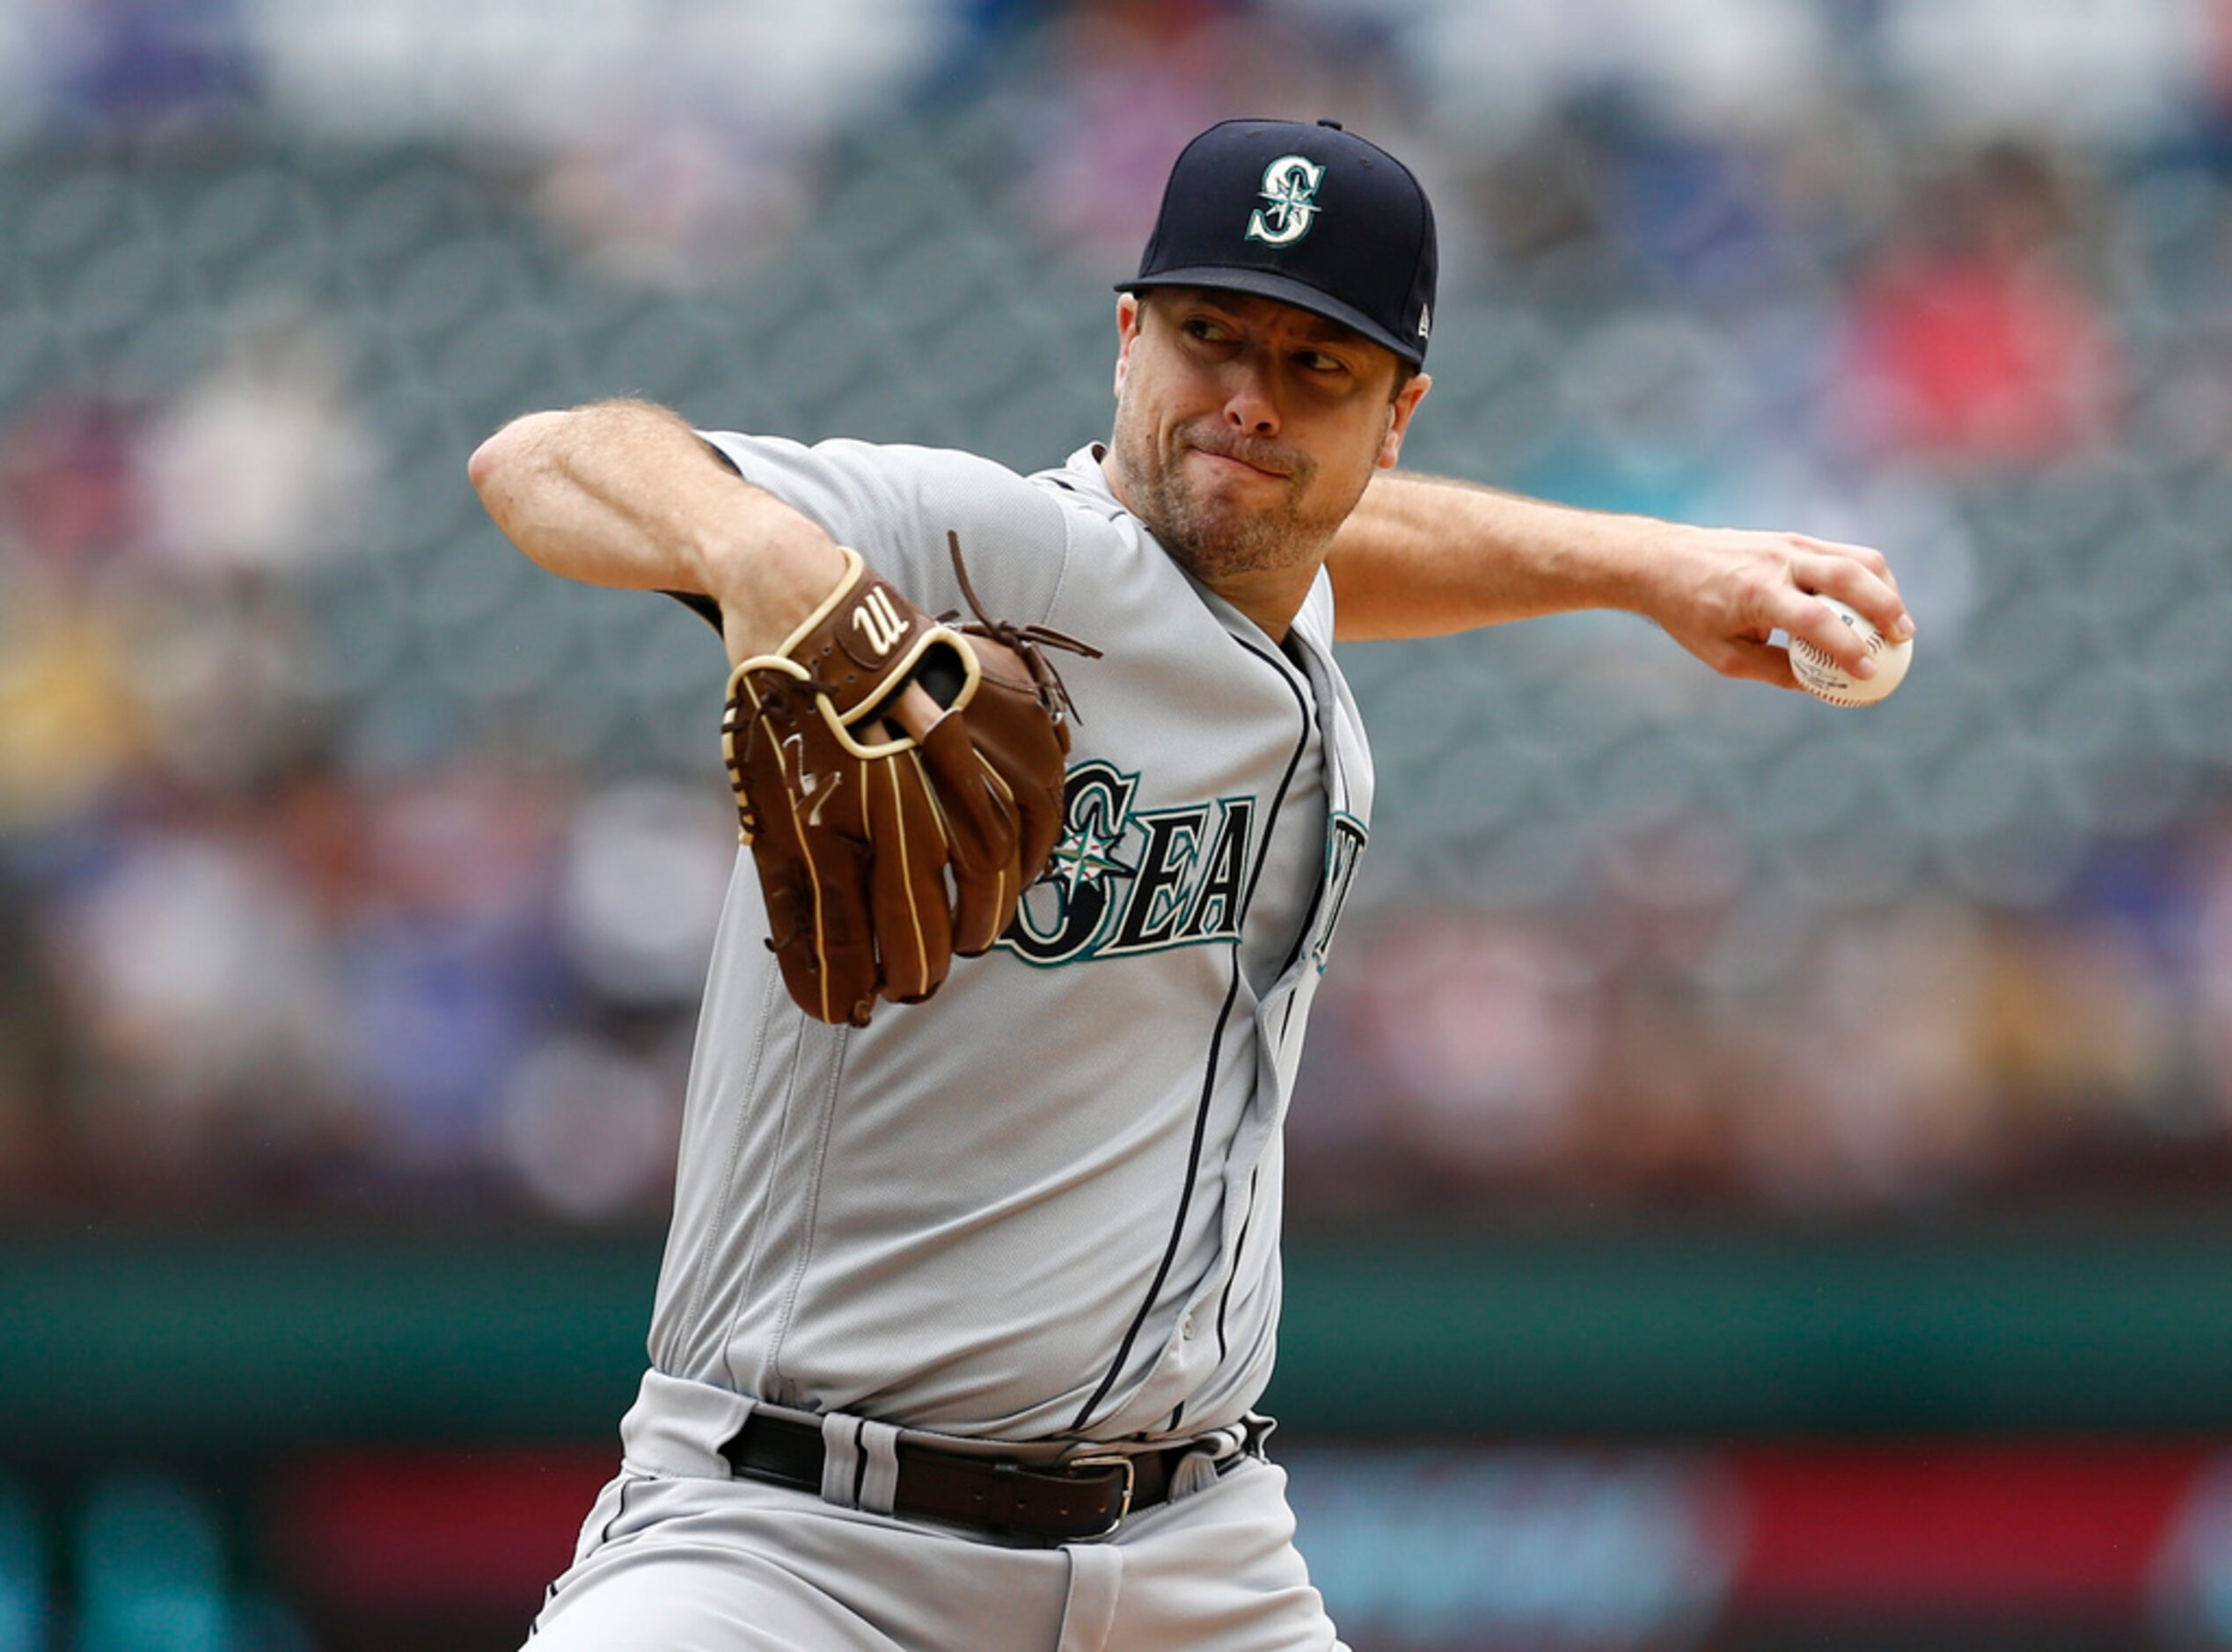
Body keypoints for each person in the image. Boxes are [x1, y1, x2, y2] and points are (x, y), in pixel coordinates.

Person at [469, 117, 1910, 1652]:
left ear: (1395, 413)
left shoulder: (1285, 613)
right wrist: (763, 556)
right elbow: (545, 457)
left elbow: (1314, 526)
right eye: (1207, 336)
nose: (1244, 400)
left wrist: (1649, 568)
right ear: (1124, 338)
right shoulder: (999, 556)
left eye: (1316, 368)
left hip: (1192, 1557)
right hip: (792, 1543)